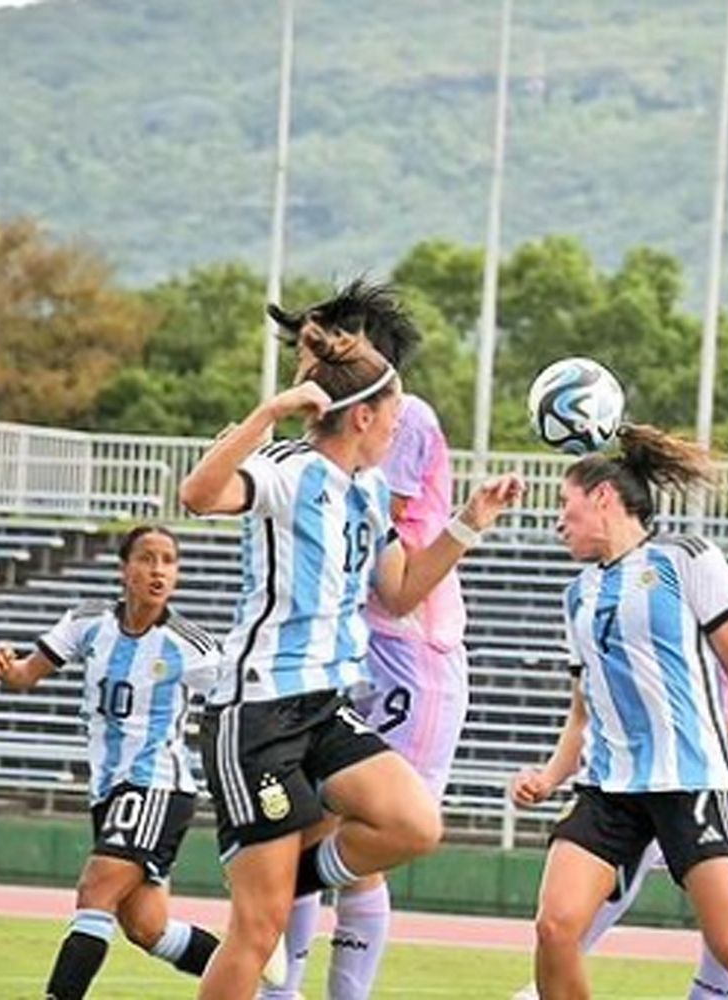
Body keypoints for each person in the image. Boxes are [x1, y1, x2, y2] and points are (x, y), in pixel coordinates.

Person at [178, 317, 521, 1000]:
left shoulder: (366, 492)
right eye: (395, 409)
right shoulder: (285, 470)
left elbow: (399, 594)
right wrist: (271, 412)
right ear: (363, 415)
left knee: (414, 823)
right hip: (258, 717)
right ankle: (265, 886)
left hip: (326, 710)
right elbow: (197, 496)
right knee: (257, 932)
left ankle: (276, 877)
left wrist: (468, 526)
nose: (403, 422)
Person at [519, 428, 728, 1000]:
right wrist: (549, 776)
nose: (557, 521)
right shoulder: (577, 594)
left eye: (564, 504)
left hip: (691, 778)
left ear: (602, 497)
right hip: (609, 786)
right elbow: (584, 710)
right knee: (554, 928)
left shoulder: (686, 558)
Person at [261, 281, 470, 999]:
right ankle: (279, 987)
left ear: (360, 352)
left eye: (316, 348)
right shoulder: (319, 438)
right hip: (348, 651)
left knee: (357, 837)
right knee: (303, 826)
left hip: (406, 649)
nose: (305, 362)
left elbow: (392, 576)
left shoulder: (401, 419)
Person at [0, 525, 228, 1000]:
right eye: (147, 558)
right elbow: (25, 676)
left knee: (95, 892)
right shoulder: (87, 622)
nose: (158, 570)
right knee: (147, 928)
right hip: (109, 790)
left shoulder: (190, 645)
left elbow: (240, 701)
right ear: (124, 569)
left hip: (156, 784)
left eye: (169, 561)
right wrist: (6, 670)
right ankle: (252, 982)